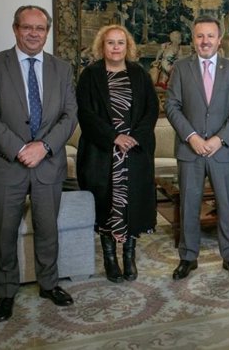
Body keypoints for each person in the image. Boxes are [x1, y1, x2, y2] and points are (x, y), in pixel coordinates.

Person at [0, 5, 78, 322]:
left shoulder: (62, 68)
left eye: (40, 28)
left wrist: (44, 147)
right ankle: (6, 292)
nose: (34, 33)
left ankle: (49, 284)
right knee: (5, 232)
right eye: (27, 27)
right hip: (8, 164)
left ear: (46, 32)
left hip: (48, 165)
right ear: (15, 29)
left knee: (48, 230)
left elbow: (69, 115)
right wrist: (21, 149)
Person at [165, 15, 229, 280]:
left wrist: (219, 139)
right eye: (200, 36)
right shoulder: (180, 68)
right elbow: (172, 106)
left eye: (210, 36)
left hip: (222, 150)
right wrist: (192, 137)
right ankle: (188, 257)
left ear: (219, 40)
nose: (205, 41)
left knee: (226, 205)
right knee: (189, 204)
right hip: (191, 150)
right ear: (193, 39)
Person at [76, 24, 159, 283]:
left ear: (128, 46)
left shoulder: (140, 74)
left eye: (120, 43)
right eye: (110, 43)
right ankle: (111, 260)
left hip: (134, 153)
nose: (115, 47)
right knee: (107, 205)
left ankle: (129, 257)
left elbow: (151, 110)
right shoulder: (90, 76)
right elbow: (85, 114)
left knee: (131, 205)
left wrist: (134, 138)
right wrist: (114, 137)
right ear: (102, 46)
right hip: (103, 154)